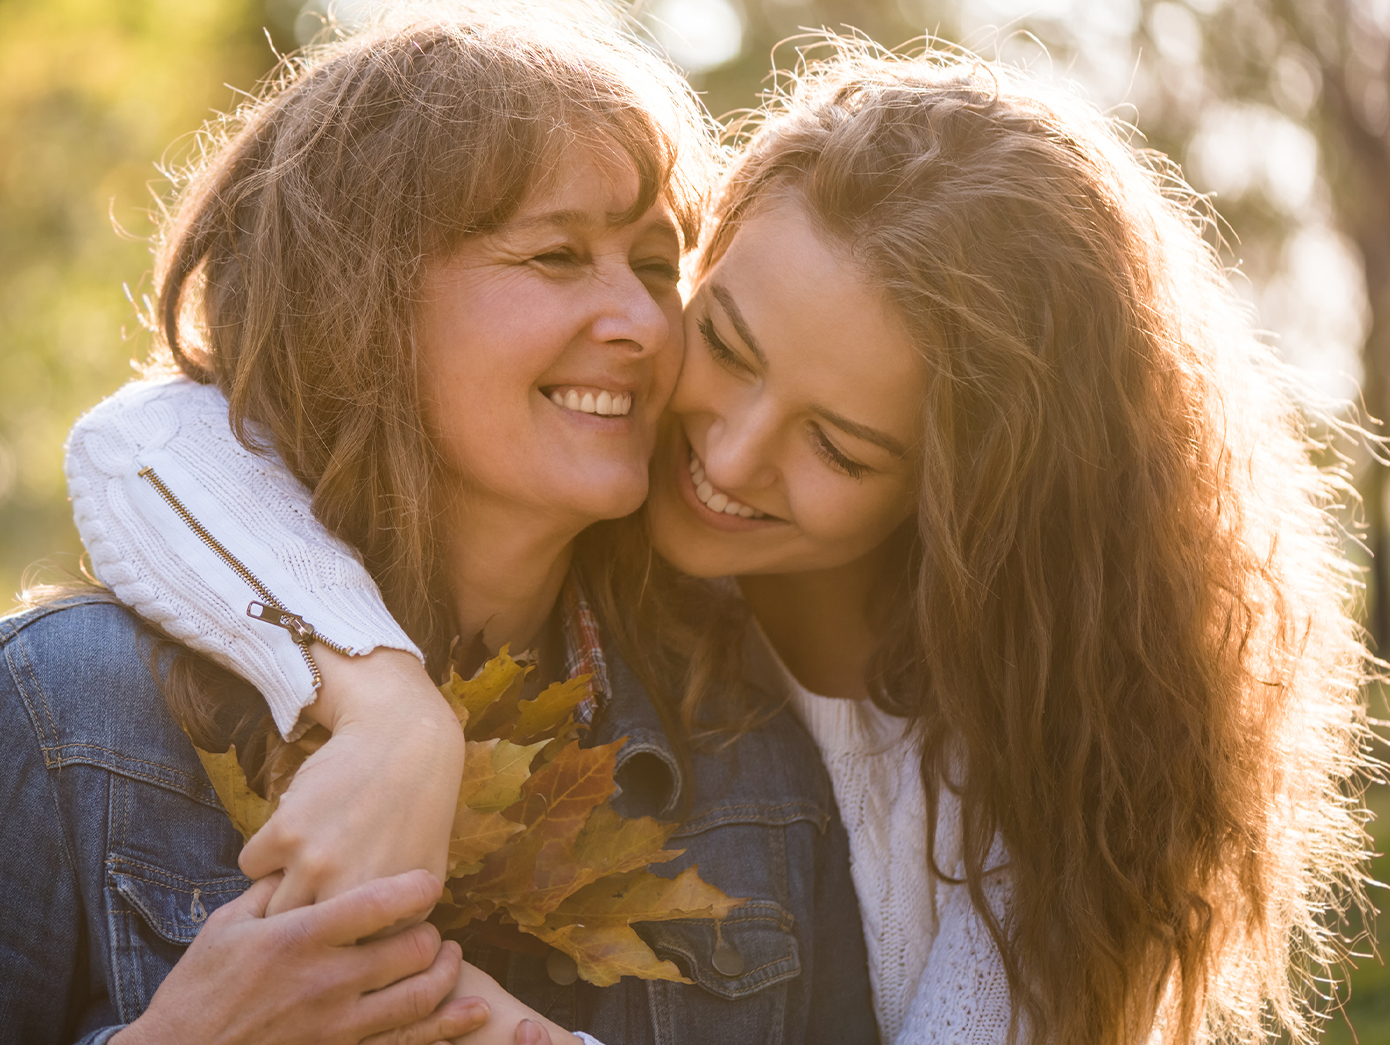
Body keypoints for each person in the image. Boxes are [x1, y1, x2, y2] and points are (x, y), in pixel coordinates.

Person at [86, 41, 1375, 1045]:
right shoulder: (594, 523)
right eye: (731, 346)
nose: (726, 456)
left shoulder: (1029, 778)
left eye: (841, 447)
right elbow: (143, 440)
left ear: (969, 504)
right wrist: (388, 711)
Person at [0, 12, 879, 1045]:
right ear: (356, 303)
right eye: (558, 257)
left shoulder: (743, 746)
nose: (644, 324)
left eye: (656, 266)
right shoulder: (60, 715)